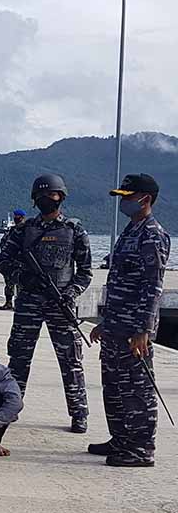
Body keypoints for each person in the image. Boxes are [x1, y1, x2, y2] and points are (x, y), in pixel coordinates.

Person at [0, 173, 92, 433]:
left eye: (50, 195)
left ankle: (79, 413)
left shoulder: (74, 230)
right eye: (40, 196)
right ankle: (10, 409)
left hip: (60, 301)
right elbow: (3, 261)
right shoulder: (24, 230)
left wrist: (71, 293)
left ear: (61, 197)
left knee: (70, 361)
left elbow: (85, 272)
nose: (45, 199)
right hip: (28, 301)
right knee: (18, 359)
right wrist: (22, 276)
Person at [89, 174, 170, 467]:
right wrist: (105, 321)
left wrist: (143, 330)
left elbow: (153, 287)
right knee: (114, 386)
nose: (123, 201)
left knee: (137, 389)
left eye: (127, 196)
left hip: (134, 329)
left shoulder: (153, 234)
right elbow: (118, 281)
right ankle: (121, 439)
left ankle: (141, 449)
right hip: (116, 326)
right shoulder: (131, 230)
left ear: (144, 199)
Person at [0, 209, 28, 310]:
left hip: (22, 263)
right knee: (9, 283)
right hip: (11, 262)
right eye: (15, 216)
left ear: (23, 217)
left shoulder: (27, 231)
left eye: (18, 217)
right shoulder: (12, 231)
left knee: (21, 284)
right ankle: (8, 302)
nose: (16, 218)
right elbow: (3, 243)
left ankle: (19, 303)